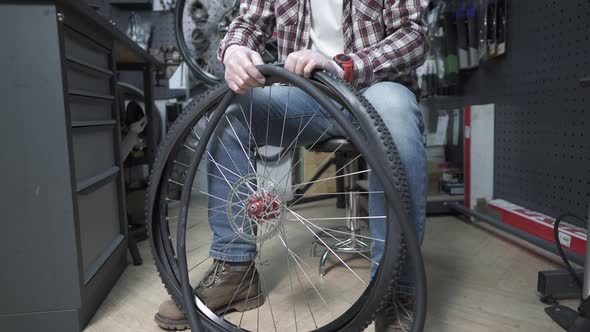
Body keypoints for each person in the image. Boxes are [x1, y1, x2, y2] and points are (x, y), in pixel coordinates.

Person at [155, 1, 429, 331]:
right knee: (227, 116)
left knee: (397, 116)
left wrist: (344, 66)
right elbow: (249, 24)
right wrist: (234, 52)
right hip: (307, 94)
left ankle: (395, 290)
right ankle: (234, 269)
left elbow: (413, 36)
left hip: (374, 88)